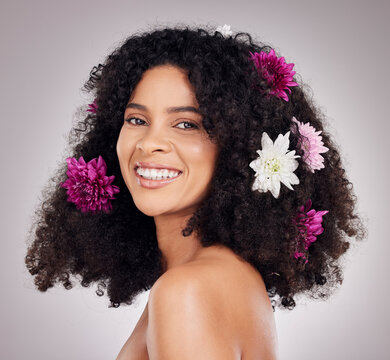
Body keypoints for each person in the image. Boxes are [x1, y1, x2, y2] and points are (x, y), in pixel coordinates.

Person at [25, 25, 366, 359]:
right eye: (137, 120)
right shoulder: (219, 277)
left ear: (237, 148)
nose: (149, 143)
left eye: (186, 124)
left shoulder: (188, 291)